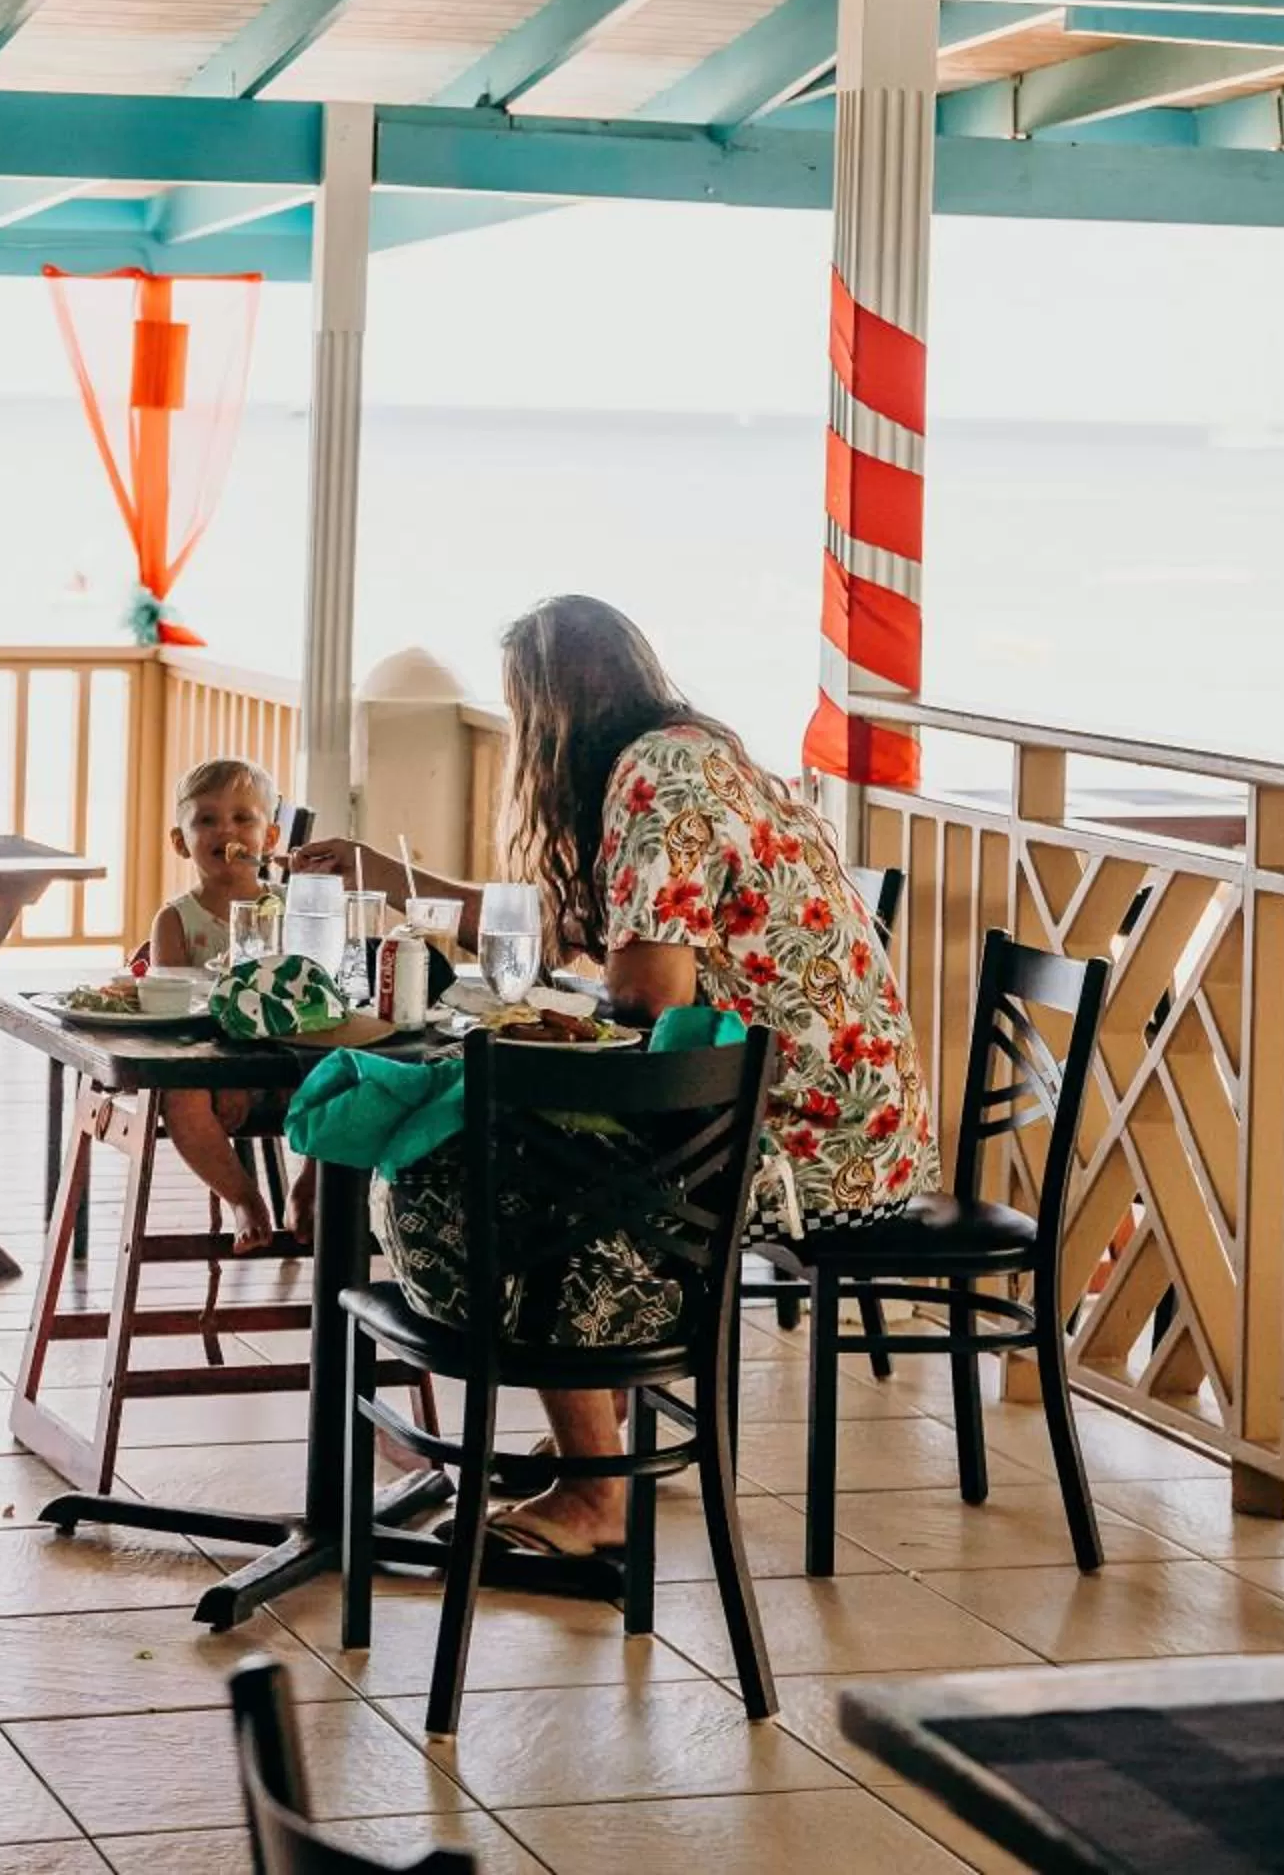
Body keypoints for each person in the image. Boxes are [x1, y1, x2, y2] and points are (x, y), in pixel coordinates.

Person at [303, 594, 938, 1555]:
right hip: (858, 1129)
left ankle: (594, 1490)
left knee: (511, 1168)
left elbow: (644, 998)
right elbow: (575, 943)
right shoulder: (697, 751)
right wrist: (407, 887)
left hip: (795, 1147)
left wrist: (538, 1026)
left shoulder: (655, 779)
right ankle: (597, 1429)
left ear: (552, 709)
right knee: (538, 1129)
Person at [149, 756, 312, 1254]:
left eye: (244, 818)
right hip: (213, 1073)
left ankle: (309, 1189)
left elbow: (310, 999)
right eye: (207, 820)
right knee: (181, 1100)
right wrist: (226, 1075)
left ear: (272, 836)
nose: (227, 830)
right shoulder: (176, 922)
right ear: (181, 842)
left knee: (353, 1082)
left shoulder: (292, 912)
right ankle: (243, 1197)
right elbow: (178, 1017)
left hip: (290, 1062)